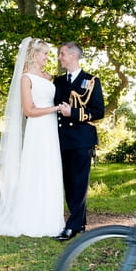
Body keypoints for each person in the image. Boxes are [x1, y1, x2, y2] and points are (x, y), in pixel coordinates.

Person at [0, 37, 65, 237]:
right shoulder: (26, 78)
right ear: (34, 54)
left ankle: (52, 218)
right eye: (44, 53)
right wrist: (55, 108)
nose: (47, 57)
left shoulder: (48, 76)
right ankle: (32, 218)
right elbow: (29, 110)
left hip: (52, 128)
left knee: (51, 169)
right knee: (36, 170)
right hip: (38, 129)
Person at [53, 41, 105, 241]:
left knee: (79, 183)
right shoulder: (58, 81)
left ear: (73, 56)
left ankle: (72, 226)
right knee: (68, 183)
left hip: (82, 140)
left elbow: (98, 111)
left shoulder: (91, 81)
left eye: (62, 54)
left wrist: (73, 112)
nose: (60, 57)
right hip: (61, 139)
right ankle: (80, 223)